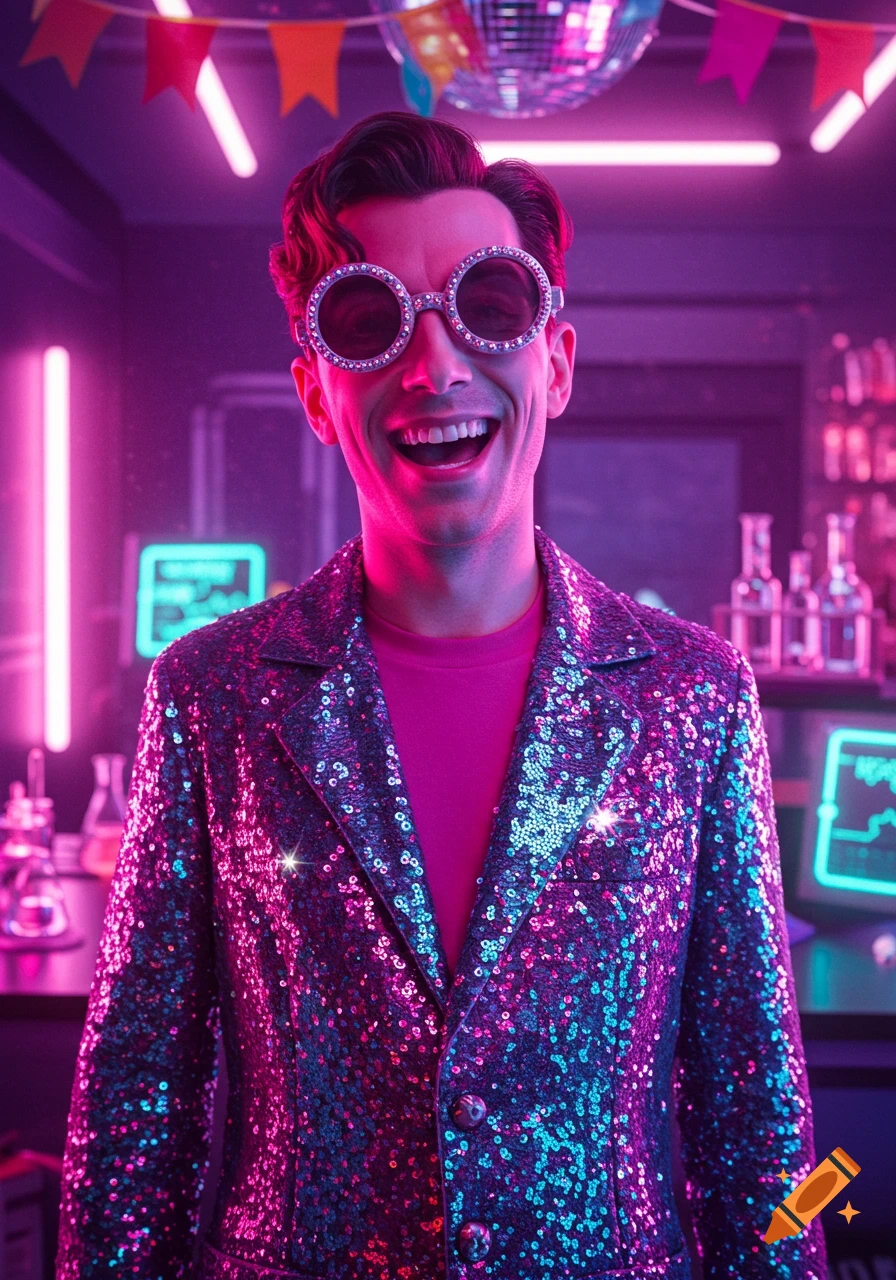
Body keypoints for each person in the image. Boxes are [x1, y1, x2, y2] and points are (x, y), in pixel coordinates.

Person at [56, 111, 826, 1280]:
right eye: (370, 324)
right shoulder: (210, 696)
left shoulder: (692, 695)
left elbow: (761, 1133)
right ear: (317, 393)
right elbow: (133, 1119)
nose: (434, 367)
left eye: (490, 307)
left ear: (554, 363)